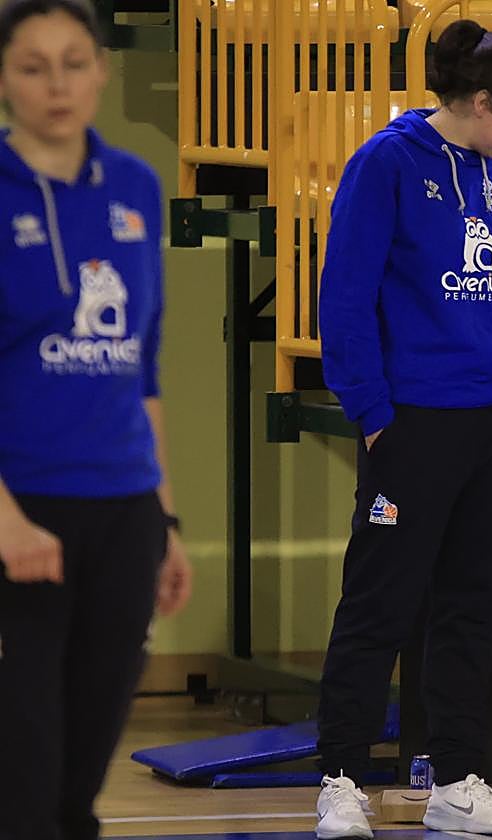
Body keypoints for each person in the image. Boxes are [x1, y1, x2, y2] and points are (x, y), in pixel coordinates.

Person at [315, 18, 492, 839]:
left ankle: (458, 780)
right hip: (416, 423)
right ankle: (342, 779)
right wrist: (372, 413)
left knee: (471, 605)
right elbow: (344, 299)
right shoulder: (386, 163)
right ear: (481, 102)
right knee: (379, 602)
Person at [0, 1, 192, 838]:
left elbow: (141, 368)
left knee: (80, 785)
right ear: (5, 79)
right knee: (24, 779)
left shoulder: (136, 186)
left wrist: (165, 519)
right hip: (22, 516)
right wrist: (6, 521)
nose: (57, 85)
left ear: (102, 72)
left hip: (124, 512)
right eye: (33, 66)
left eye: (74, 63)